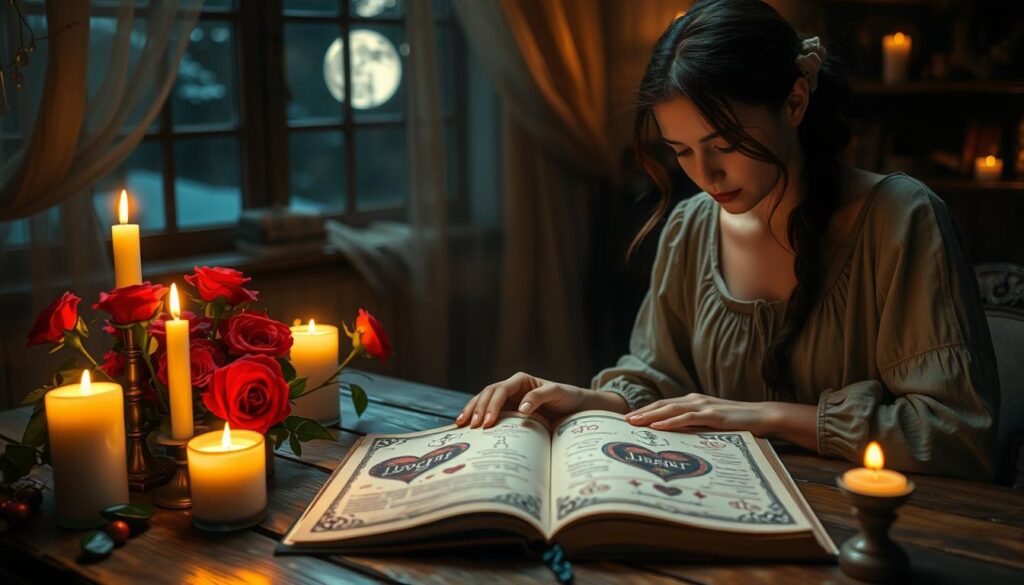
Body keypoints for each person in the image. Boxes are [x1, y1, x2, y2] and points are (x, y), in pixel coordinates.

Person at [456, 0, 999, 480]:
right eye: (682, 151)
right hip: (719, 507)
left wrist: (761, 415)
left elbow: (958, 434)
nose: (706, 175)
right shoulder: (692, 228)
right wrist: (581, 400)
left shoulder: (900, 220)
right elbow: (660, 380)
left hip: (887, 531)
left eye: (726, 143)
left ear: (794, 103)